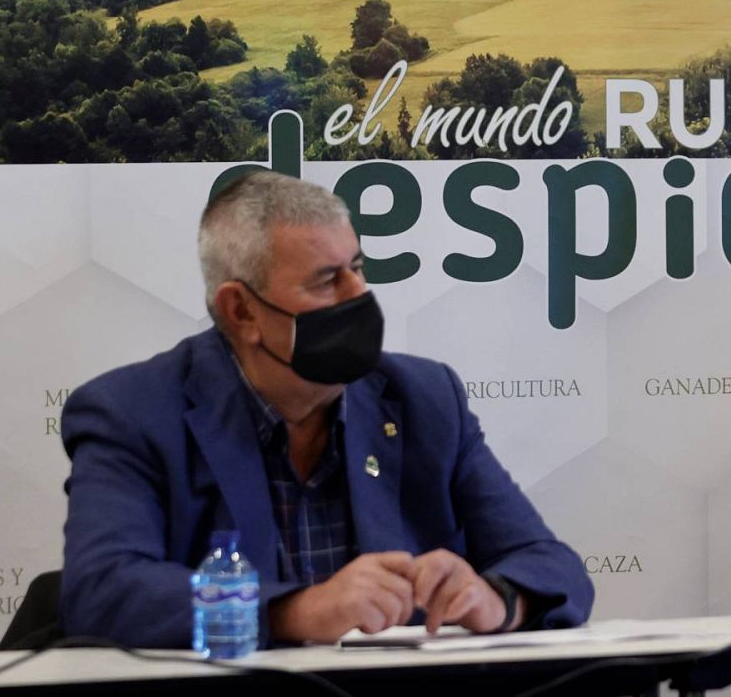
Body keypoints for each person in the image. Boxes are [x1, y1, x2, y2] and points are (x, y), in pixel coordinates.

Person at [60, 170, 593, 647]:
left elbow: (553, 567)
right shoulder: (131, 413)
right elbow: (103, 590)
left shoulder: (423, 397)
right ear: (241, 310)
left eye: (357, 268)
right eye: (326, 281)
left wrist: (496, 600)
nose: (360, 295)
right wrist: (297, 612)